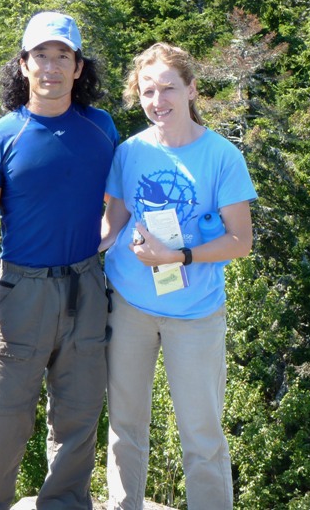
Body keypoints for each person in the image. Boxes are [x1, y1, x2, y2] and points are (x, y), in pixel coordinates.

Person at [0, 11, 119, 510]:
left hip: (87, 289)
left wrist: (102, 242)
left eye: (62, 56)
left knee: (80, 411)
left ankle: (67, 503)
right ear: (23, 65)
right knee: (0, 414)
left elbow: (119, 200)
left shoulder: (101, 127)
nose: (51, 67)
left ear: (78, 67)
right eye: (40, 56)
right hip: (20, 294)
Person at [99, 43, 257, 510]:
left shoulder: (222, 156)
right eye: (148, 91)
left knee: (202, 435)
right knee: (125, 426)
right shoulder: (130, 153)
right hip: (129, 305)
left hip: (195, 314)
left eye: (168, 87)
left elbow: (240, 241)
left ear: (191, 89)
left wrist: (178, 255)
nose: (157, 100)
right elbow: (111, 225)